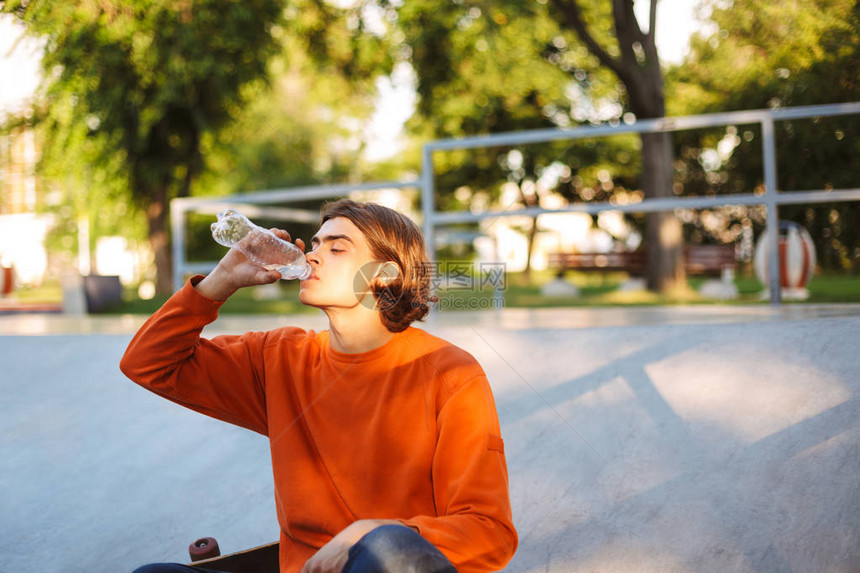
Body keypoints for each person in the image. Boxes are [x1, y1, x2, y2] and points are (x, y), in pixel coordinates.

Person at [121, 199, 517, 573]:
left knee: (388, 550)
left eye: (337, 249)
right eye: (314, 244)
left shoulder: (450, 374)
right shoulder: (278, 356)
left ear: (384, 275)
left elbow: (489, 532)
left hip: (389, 564)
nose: (311, 256)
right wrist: (222, 280)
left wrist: (373, 533)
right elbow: (149, 363)